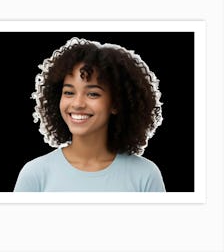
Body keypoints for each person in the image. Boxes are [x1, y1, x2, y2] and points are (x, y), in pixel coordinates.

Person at [14, 37, 166, 192]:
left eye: (93, 94)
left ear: (115, 104)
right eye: (69, 92)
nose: (77, 103)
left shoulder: (145, 176)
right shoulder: (35, 175)